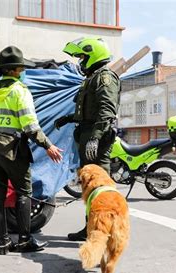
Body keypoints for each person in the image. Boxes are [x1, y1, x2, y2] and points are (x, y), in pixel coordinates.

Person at [0, 46, 63, 255]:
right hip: (13, 151)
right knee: (23, 193)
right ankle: (25, 240)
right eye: (21, 67)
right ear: (16, 69)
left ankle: (3, 242)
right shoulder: (20, 91)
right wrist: (48, 145)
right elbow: (30, 126)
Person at [54, 37, 121, 241]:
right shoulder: (92, 78)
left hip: (97, 141)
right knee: (89, 189)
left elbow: (106, 111)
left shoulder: (105, 77)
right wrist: (69, 118)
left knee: (100, 189)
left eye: (82, 57)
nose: (80, 62)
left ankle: (103, 232)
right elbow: (88, 111)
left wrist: (95, 138)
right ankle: (90, 228)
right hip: (88, 137)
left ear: (93, 55)